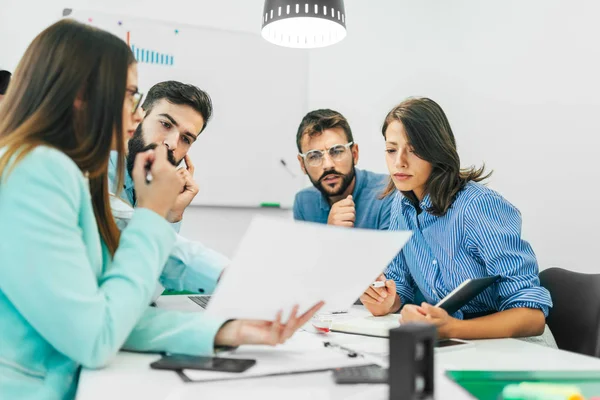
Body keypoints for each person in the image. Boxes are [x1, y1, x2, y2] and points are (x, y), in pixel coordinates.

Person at [0, 20, 323, 399]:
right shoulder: (36, 170)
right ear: (82, 95)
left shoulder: (60, 168)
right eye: (129, 96)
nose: (135, 115)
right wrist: (155, 215)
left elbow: (108, 312)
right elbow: (96, 337)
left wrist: (230, 330)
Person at [360, 97, 553, 343]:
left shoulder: (476, 206)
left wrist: (451, 329)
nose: (399, 162)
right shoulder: (401, 206)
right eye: (391, 150)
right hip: (459, 343)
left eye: (415, 150)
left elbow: (532, 317)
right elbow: (402, 286)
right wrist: (387, 301)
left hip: (516, 345)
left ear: (437, 150)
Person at [108, 81, 228, 296]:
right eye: (165, 124)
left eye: (186, 139)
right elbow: (130, 227)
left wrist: (172, 214)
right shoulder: (96, 170)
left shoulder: (147, 184)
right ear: (138, 117)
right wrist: (230, 276)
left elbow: (148, 289)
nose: (172, 143)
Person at [294, 109, 393, 229]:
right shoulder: (304, 202)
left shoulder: (388, 193)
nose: (328, 165)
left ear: (354, 154)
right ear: (302, 165)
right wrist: (330, 234)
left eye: (336, 151)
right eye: (314, 156)